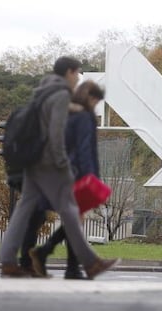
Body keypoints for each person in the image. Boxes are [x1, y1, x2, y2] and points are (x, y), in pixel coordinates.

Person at [0, 56, 120, 279]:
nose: (77, 79)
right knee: (70, 210)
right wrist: (62, 163)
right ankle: (90, 262)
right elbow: (55, 132)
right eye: (77, 73)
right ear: (70, 72)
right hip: (49, 162)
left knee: (24, 210)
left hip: (32, 160)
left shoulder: (44, 89)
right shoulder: (62, 94)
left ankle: (7, 259)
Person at [29, 80, 104, 280]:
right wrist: (92, 177)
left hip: (59, 173)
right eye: (96, 101)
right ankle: (56, 259)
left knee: (74, 220)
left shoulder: (66, 114)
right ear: (91, 97)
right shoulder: (84, 117)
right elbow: (85, 149)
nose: (96, 106)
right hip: (77, 174)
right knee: (75, 221)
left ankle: (63, 262)